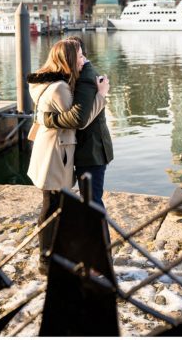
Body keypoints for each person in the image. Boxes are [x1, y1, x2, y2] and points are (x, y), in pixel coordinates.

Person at [27, 39, 108, 273]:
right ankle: (46, 260)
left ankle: (52, 254)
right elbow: (77, 121)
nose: (84, 60)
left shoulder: (45, 81)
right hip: (55, 152)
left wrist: (45, 119)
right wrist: (101, 96)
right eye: (80, 56)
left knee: (51, 205)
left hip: (47, 149)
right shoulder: (60, 88)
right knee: (51, 206)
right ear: (68, 60)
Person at [41, 36, 114, 223]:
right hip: (84, 149)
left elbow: (79, 120)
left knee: (92, 204)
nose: (82, 60)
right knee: (87, 203)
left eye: (82, 55)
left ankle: (100, 249)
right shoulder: (74, 76)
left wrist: (50, 119)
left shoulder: (86, 79)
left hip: (92, 151)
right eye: (79, 56)